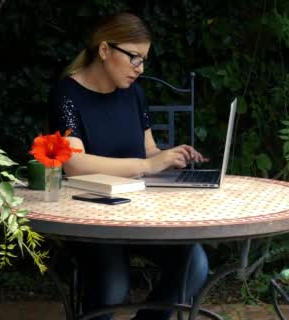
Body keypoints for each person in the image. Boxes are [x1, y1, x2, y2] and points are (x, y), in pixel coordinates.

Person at [48, 12, 209, 320]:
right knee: (113, 288)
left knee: (196, 265)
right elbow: (75, 164)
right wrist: (147, 165)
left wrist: (170, 158)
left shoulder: (133, 93)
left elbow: (148, 150)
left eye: (144, 59)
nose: (141, 68)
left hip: (142, 215)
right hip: (92, 220)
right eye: (135, 57)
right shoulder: (66, 94)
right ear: (105, 50)